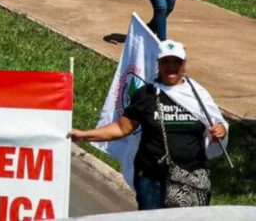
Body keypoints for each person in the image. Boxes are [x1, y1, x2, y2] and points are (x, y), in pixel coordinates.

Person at [68, 41, 228, 210]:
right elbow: (122, 128)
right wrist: (85, 135)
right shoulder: (146, 94)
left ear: (184, 65)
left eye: (176, 62)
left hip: (191, 178)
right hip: (152, 179)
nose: (171, 66)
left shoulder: (199, 95)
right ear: (158, 63)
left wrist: (221, 131)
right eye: (166, 61)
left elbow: (217, 124)